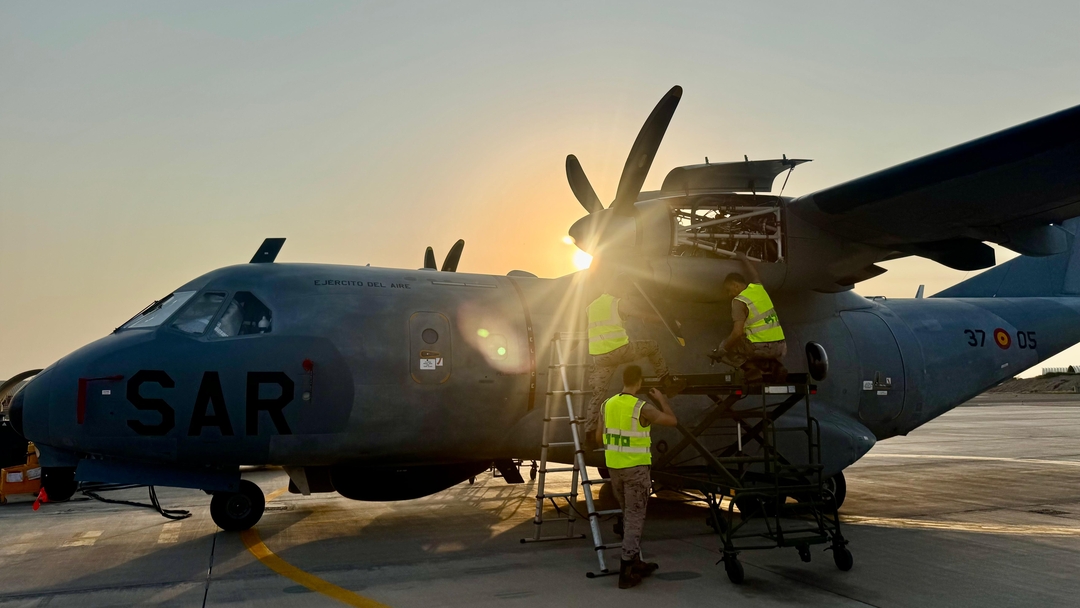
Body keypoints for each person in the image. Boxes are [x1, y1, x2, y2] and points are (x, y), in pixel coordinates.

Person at [594, 365, 678, 589]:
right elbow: (672, 421)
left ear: (624, 379)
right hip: (636, 470)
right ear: (639, 382)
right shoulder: (642, 407)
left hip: (614, 469)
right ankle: (626, 571)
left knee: (628, 514)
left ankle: (635, 560)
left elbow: (599, 438)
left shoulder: (606, 404)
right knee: (635, 518)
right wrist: (661, 400)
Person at [584, 275, 672, 439]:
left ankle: (589, 433)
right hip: (620, 350)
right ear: (618, 288)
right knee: (652, 347)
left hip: (600, 358)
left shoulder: (591, 307)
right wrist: (666, 321)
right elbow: (642, 315)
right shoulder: (617, 302)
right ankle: (666, 380)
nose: (625, 294)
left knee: (598, 395)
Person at [716, 252, 787, 381]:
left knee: (729, 347)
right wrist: (743, 258)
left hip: (759, 347)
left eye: (728, 290)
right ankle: (775, 366)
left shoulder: (739, 301)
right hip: (780, 347)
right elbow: (754, 275)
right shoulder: (758, 288)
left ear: (735, 285)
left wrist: (722, 350)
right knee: (752, 348)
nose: (729, 294)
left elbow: (737, 333)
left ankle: (752, 371)